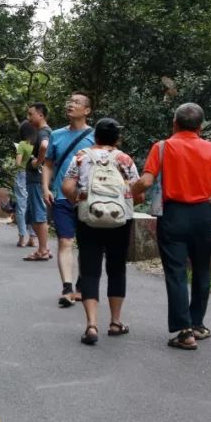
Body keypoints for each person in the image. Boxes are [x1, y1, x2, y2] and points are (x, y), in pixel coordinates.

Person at [131, 103, 211, 351]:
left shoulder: (162, 147)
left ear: (174, 123)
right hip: (203, 215)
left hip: (173, 214)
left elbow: (146, 181)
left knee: (176, 272)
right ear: (200, 126)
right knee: (202, 269)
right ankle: (197, 325)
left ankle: (184, 332)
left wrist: (127, 192)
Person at [61, 118, 139, 346]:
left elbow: (66, 187)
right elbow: (137, 190)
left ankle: (91, 325)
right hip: (119, 219)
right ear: (117, 138)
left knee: (90, 270)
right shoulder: (125, 159)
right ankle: (115, 322)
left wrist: (79, 201)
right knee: (116, 269)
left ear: (95, 137)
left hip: (88, 218)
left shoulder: (81, 156)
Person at [42, 92, 95, 307]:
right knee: (65, 240)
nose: (70, 105)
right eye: (69, 101)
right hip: (62, 196)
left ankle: (82, 284)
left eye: (76, 103)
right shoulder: (56, 135)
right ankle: (67, 288)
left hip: (87, 198)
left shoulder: (94, 135)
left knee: (86, 244)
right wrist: (45, 187)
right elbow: (48, 164)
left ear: (87, 110)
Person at [23, 103, 51, 258]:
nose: (28, 117)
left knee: (38, 213)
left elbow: (45, 146)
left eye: (30, 114)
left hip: (36, 179)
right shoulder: (42, 131)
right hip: (35, 179)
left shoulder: (43, 132)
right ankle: (43, 247)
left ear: (40, 115)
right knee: (34, 213)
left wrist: (37, 162)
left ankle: (43, 250)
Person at [12, 120, 38, 248]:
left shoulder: (22, 144)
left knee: (21, 206)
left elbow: (18, 162)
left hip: (21, 174)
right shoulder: (36, 145)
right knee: (32, 206)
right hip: (33, 176)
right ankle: (32, 238)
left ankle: (22, 238)